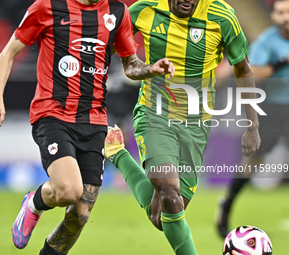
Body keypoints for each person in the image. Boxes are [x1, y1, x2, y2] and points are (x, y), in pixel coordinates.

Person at [0, 0, 175, 253]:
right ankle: (34, 204)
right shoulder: (48, 7)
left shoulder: (116, 12)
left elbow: (130, 65)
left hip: (95, 120)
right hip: (53, 113)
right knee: (69, 190)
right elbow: (8, 52)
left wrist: (152, 68)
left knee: (80, 215)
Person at [104, 0, 262, 254]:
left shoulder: (222, 16)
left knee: (163, 215)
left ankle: (119, 155)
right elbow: (103, 49)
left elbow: (242, 69)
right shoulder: (145, 10)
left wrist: (252, 125)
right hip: (154, 114)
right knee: (168, 190)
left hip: (196, 125)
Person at [216, 0, 289, 239]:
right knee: (253, 163)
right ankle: (226, 205)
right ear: (273, 17)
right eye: (280, 12)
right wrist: (283, 61)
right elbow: (253, 73)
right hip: (270, 106)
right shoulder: (268, 41)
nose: (286, 17)